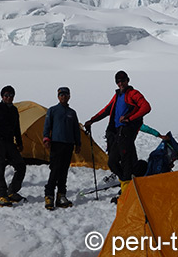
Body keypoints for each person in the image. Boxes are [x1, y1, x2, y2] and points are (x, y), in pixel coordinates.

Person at [84, 70, 151, 203]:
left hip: (126, 133)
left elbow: (146, 107)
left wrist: (130, 118)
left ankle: (126, 194)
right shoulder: (117, 96)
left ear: (128, 80)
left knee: (126, 163)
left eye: (123, 80)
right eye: (118, 81)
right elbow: (107, 110)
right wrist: (92, 120)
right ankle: (127, 185)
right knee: (112, 162)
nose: (120, 83)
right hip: (117, 134)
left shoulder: (133, 94)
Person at [0, 85, 27, 207]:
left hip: (10, 142)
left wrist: (19, 142)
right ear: (2, 96)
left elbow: (16, 128)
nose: (9, 98)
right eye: (6, 95)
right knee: (0, 168)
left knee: (20, 166)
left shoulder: (14, 110)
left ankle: (12, 191)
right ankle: (1, 195)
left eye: (11, 95)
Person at [42, 87, 81, 210]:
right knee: (55, 169)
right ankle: (49, 195)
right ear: (58, 97)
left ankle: (61, 195)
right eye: (61, 95)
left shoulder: (72, 113)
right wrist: (46, 138)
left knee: (64, 170)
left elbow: (76, 129)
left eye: (65, 94)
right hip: (56, 143)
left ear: (69, 96)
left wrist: (78, 143)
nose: (63, 97)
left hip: (68, 144)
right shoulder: (52, 110)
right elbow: (47, 126)